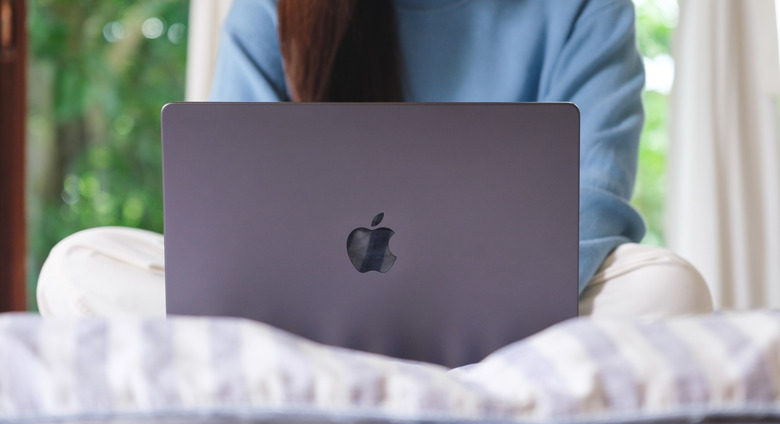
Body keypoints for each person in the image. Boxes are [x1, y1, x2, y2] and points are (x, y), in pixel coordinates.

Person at [37, 0, 713, 319]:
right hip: (297, 309)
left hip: (513, 313)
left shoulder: (583, 9)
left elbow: (591, 201)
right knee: (76, 266)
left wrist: (463, 309)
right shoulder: (271, 13)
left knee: (672, 287)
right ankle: (433, 380)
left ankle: (347, 374)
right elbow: (228, 215)